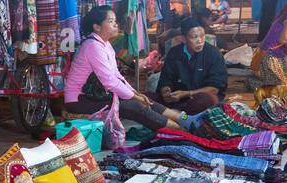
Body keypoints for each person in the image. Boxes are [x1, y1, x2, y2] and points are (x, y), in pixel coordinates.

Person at [64, 5, 196, 131]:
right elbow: (109, 81)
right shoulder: (92, 46)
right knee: (134, 107)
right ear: (97, 27)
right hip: (80, 100)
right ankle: (180, 131)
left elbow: (117, 76)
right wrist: (134, 97)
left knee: (146, 99)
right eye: (110, 21)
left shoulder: (105, 44)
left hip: (96, 95)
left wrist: (135, 93)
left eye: (115, 20)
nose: (116, 24)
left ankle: (184, 119)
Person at [157, 17, 229, 114]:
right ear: (183, 39)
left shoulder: (213, 53)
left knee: (206, 100)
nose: (200, 41)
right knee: (148, 99)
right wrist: (166, 91)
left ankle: (174, 115)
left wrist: (186, 94)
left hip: (200, 100)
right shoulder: (174, 53)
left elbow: (214, 88)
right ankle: (178, 115)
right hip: (178, 100)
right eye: (194, 37)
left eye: (202, 36)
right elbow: (165, 79)